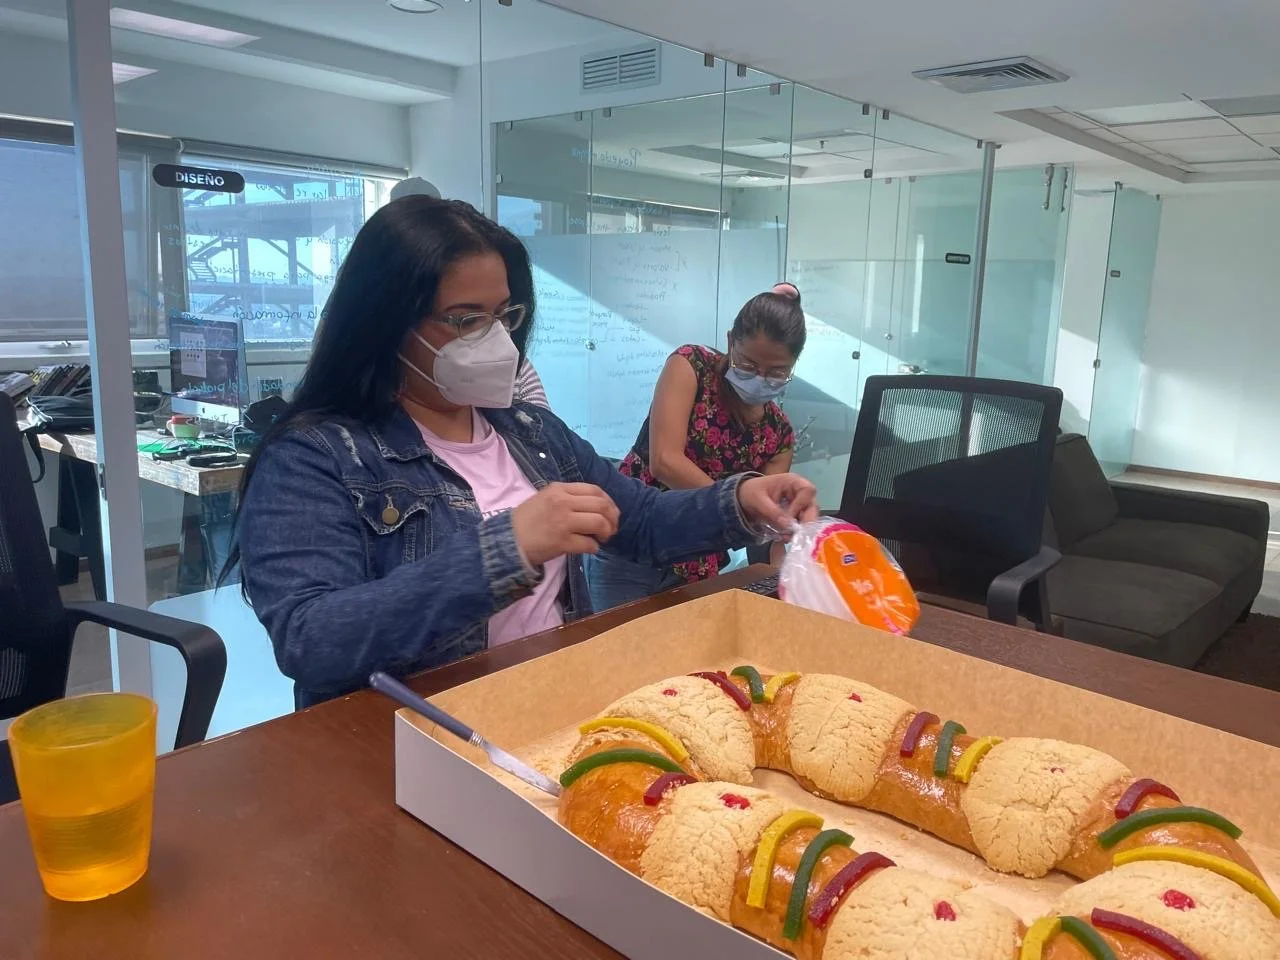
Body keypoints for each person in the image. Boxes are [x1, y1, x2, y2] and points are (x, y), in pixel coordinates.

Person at [222, 198, 817, 708]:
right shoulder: (312, 458)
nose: (496, 339)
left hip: (544, 703)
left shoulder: (529, 431)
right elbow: (312, 639)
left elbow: (638, 520)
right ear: (387, 323)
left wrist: (740, 498)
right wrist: (504, 550)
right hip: (415, 735)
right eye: (465, 319)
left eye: (504, 315)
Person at [586, 282, 806, 611]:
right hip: (630, 545)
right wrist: (738, 502)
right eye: (747, 365)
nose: (760, 378)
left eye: (776, 372)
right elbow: (665, 461)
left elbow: (767, 519)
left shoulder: (779, 434)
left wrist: (786, 565)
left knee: (680, 659)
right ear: (731, 341)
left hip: (697, 560)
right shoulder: (692, 366)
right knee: (617, 653)